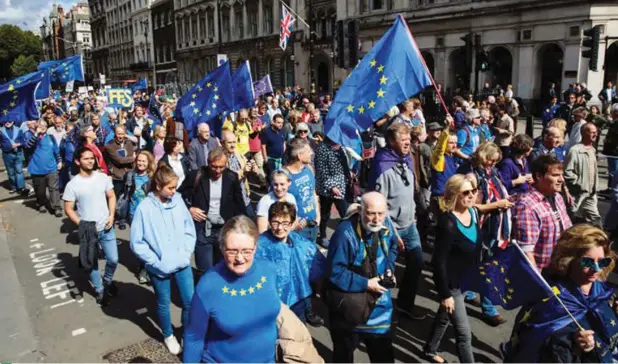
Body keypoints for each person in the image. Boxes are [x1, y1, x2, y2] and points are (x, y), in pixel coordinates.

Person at [503, 225, 618, 362]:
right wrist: (571, 341)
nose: (596, 269)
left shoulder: (604, 292)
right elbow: (533, 342)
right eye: (587, 261)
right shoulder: (550, 298)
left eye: (602, 261)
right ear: (569, 259)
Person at [183, 216, 281, 362]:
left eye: (247, 251)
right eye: (232, 251)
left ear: (255, 247)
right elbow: (194, 337)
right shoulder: (208, 285)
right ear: (222, 249)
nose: (240, 258)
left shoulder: (269, 270)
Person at [324, 192, 398, 362]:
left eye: (381, 213)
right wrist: (366, 284)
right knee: (343, 357)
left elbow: (393, 247)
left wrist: (389, 269)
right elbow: (334, 272)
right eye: (371, 213)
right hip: (348, 312)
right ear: (360, 210)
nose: (377, 219)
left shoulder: (386, 224)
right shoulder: (345, 233)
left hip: (379, 311)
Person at [130, 165, 196, 355]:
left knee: (189, 301)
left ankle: (186, 331)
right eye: (171, 188)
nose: (174, 191)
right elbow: (137, 242)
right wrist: (155, 261)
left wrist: (186, 252)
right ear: (158, 186)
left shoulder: (179, 201)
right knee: (163, 302)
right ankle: (168, 335)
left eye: (175, 187)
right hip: (159, 267)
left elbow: (188, 229)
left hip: (182, 263)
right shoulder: (144, 208)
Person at [368, 122, 424, 320]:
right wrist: (392, 231)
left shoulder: (407, 159)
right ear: (391, 141)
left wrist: (414, 215)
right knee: (387, 271)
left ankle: (405, 304)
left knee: (417, 263)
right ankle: (380, 309)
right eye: (403, 140)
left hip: (410, 225)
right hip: (390, 229)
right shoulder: (382, 165)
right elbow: (378, 205)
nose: (408, 143)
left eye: (409, 139)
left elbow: (410, 192)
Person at [424, 174, 480, 364]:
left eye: (474, 190)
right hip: (452, 285)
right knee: (464, 335)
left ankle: (430, 349)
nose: (472, 195)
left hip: (465, 280)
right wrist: (445, 294)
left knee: (444, 317)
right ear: (454, 195)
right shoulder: (447, 223)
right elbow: (438, 261)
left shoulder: (473, 213)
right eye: (466, 192)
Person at [457, 142, 513, 326]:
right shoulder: (471, 176)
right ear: (482, 156)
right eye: (490, 160)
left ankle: (469, 291)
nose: (493, 164)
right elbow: (470, 206)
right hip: (481, 227)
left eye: (496, 161)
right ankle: (489, 309)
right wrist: (496, 206)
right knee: (488, 266)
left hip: (495, 227)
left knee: (480, 263)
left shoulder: (492, 173)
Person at [63, 146, 118, 306]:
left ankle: (107, 281)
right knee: (91, 263)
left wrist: (111, 215)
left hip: (106, 226)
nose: (90, 161)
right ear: (77, 161)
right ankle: (100, 290)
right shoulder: (73, 184)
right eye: (86, 158)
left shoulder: (102, 178)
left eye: (92, 158)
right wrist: (82, 224)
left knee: (113, 259)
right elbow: (68, 209)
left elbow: (112, 196)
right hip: (88, 229)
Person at [255, 201, 326, 322]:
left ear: (292, 223)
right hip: (272, 305)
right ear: (269, 222)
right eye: (275, 222)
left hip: (299, 300)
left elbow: (318, 264)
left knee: (298, 335)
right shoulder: (259, 246)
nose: (280, 228)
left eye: (285, 223)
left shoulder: (301, 243)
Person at [180, 147, 245, 275]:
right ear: (208, 163)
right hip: (203, 230)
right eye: (214, 167)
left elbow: (239, 205)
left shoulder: (232, 177)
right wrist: (189, 209)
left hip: (224, 230)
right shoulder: (196, 175)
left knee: (222, 268)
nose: (218, 171)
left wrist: (239, 228)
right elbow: (177, 196)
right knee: (205, 271)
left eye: (221, 167)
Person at [512, 155, 572, 271]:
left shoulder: (558, 197)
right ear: (539, 176)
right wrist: (539, 283)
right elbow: (526, 252)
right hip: (544, 274)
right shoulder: (527, 206)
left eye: (561, 175)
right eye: (555, 175)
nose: (561, 180)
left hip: (562, 269)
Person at [564, 123, 601, 226]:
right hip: (577, 193)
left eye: (596, 132)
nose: (595, 135)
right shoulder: (575, 150)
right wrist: (579, 183)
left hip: (591, 193)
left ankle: (598, 238)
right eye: (592, 132)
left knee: (595, 218)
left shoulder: (593, 150)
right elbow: (567, 171)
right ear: (584, 133)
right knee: (570, 215)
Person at [315, 137, 350, 248]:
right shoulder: (322, 148)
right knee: (325, 213)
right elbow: (320, 170)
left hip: (341, 184)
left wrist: (349, 173)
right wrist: (331, 186)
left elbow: (344, 163)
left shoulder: (341, 146)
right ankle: (323, 236)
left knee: (345, 213)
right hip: (327, 188)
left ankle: (347, 237)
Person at [284, 138, 321, 243]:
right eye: (308, 151)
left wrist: (318, 216)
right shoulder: (283, 176)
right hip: (297, 230)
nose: (311, 153)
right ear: (300, 156)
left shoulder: (309, 168)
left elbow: (313, 194)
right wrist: (294, 223)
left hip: (313, 224)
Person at [25, 120, 63, 216]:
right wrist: (36, 133)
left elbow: (56, 151)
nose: (42, 127)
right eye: (40, 125)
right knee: (40, 190)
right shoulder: (32, 137)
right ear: (36, 127)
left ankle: (56, 207)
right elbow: (28, 146)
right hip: (37, 169)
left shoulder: (51, 137)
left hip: (51, 168)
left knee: (54, 189)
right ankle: (41, 204)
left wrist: (59, 161)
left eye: (44, 125)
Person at [220, 130, 253, 218]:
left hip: (244, 196)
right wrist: (243, 171)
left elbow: (246, 167)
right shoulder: (220, 158)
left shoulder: (238, 155)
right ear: (222, 143)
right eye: (229, 143)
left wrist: (252, 167)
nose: (233, 145)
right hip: (232, 200)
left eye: (234, 142)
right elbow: (229, 179)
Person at [105, 124, 136, 202]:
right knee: (118, 200)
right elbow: (119, 160)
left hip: (129, 175)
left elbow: (129, 155)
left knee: (129, 199)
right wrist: (133, 158)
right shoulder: (110, 145)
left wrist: (130, 159)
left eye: (122, 134)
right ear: (115, 133)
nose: (120, 136)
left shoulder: (128, 143)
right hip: (117, 177)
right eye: (118, 134)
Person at [0, 118, 27, 194]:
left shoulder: (19, 130)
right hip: (7, 154)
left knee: (19, 171)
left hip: (18, 153)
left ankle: (21, 187)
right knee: (10, 172)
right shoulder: (1, 131)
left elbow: (24, 142)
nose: (7, 122)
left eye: (9, 121)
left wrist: (18, 144)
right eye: (5, 121)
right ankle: (13, 187)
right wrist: (5, 146)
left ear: (13, 121)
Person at [260, 113, 287, 181]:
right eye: (278, 122)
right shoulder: (266, 132)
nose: (281, 124)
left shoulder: (282, 131)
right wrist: (266, 159)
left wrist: (283, 153)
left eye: (282, 123)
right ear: (273, 122)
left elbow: (283, 142)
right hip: (271, 160)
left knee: (280, 178)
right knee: (272, 179)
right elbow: (263, 146)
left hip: (280, 159)